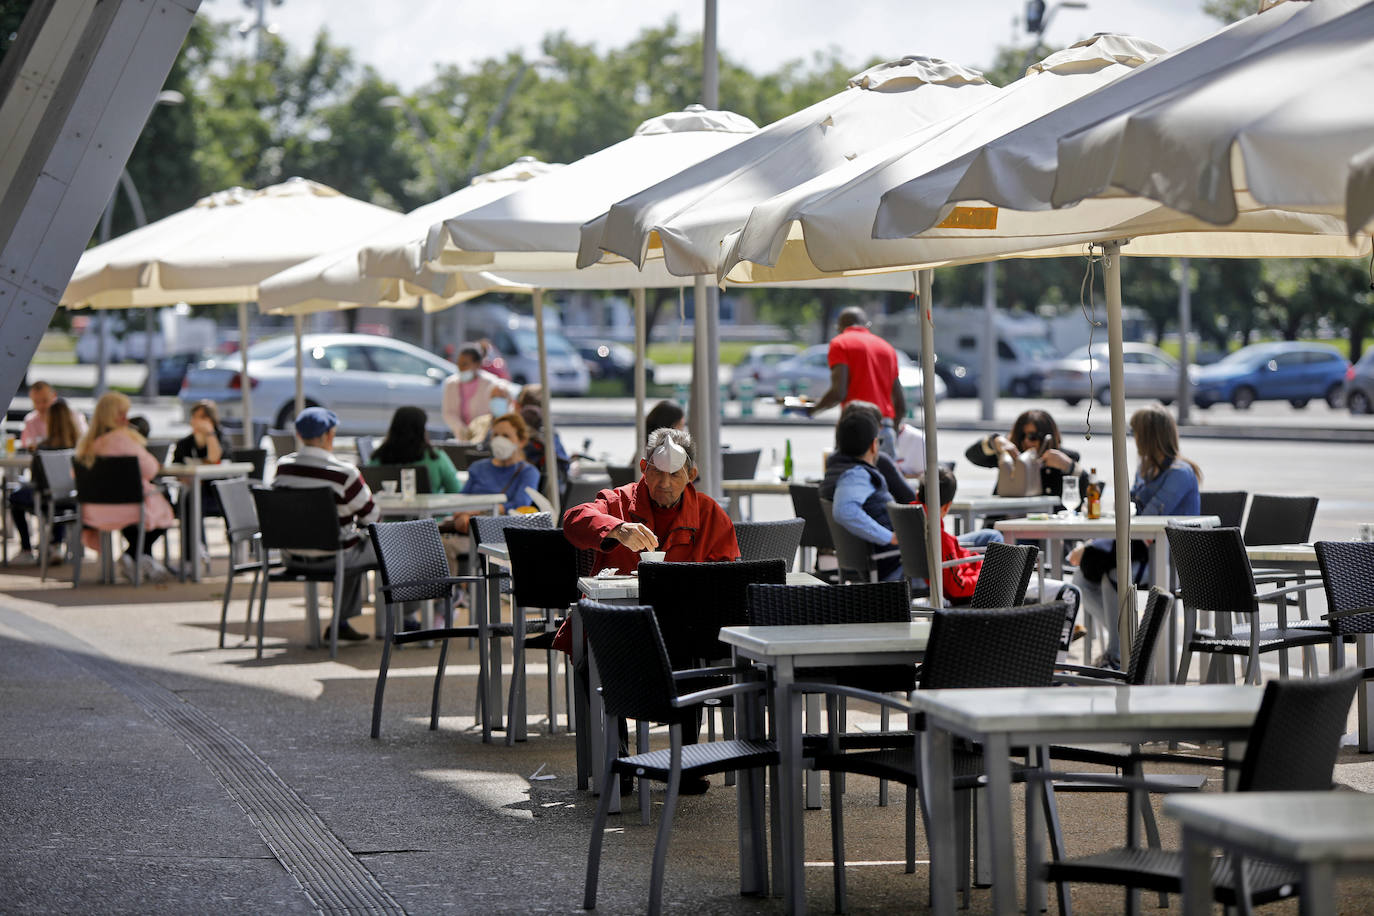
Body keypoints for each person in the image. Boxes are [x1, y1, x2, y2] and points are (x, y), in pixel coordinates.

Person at [1069, 404, 1202, 669]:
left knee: (1115, 574)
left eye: (1135, 432)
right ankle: (1134, 643)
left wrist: (1095, 544)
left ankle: (1118, 656)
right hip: (1146, 553)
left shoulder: (1179, 473)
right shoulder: (1145, 470)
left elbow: (1146, 521)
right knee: (1081, 579)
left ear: (1148, 436)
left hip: (1174, 562)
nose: (1132, 437)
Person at [564, 427, 739, 576]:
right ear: (643, 468)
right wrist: (618, 530)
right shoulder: (618, 502)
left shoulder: (709, 514)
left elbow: (728, 576)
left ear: (691, 475)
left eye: (674, 474)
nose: (665, 483)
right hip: (615, 612)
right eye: (656, 472)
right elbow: (572, 520)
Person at [272, 407, 379, 643]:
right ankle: (400, 621)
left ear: (299, 435)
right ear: (330, 435)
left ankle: (342, 622)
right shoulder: (344, 473)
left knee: (351, 545)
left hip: (291, 555)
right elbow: (372, 517)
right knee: (381, 548)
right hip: (334, 555)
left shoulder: (283, 468)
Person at [917, 467, 1080, 619]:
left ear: (919, 495)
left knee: (999, 548)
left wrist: (982, 565)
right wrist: (989, 573)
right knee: (1069, 592)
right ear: (947, 506)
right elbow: (957, 587)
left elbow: (957, 569)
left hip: (973, 587)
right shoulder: (941, 540)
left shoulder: (916, 524)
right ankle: (1059, 642)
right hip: (988, 590)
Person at [74, 391, 175, 582]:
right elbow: (151, 469)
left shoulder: (86, 445)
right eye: (123, 413)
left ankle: (136, 556)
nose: (126, 418)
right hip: (129, 507)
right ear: (116, 416)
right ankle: (135, 555)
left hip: (93, 511)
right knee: (164, 504)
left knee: (141, 509)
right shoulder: (124, 440)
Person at [439, 412, 541, 573]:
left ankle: (459, 592)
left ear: (521, 441)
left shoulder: (528, 472)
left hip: (499, 537)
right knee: (434, 546)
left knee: (444, 546)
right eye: (496, 435)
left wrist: (473, 513)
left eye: (506, 436)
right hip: (468, 533)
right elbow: (459, 501)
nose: (500, 440)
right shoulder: (478, 468)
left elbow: (519, 505)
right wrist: (462, 515)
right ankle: (457, 593)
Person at [809, 307, 905, 457]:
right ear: (867, 325)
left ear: (839, 328)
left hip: (854, 431)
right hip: (884, 429)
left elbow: (838, 393)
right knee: (884, 480)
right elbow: (900, 405)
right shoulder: (887, 348)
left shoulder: (840, 343)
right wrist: (890, 431)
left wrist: (813, 409)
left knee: (851, 479)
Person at [822, 409, 903, 581]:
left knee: (974, 540)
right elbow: (844, 510)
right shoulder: (857, 474)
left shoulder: (835, 470)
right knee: (973, 547)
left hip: (888, 563)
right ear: (874, 445)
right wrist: (890, 537)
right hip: (898, 567)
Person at [10, 397, 81, 563]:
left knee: (14, 497)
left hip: (44, 497)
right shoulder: (79, 447)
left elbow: (36, 479)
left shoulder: (42, 449)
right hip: (71, 496)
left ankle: (26, 548)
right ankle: (56, 544)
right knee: (59, 496)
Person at [965, 409, 1087, 503]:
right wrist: (994, 441)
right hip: (1006, 522)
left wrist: (1069, 466)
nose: (1026, 442)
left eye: (1032, 437)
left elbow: (1090, 493)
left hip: (1046, 527)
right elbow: (972, 455)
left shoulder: (1064, 457)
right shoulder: (1010, 456)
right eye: (1021, 436)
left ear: (1046, 437)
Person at [172, 400, 233, 571]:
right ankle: (193, 554)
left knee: (193, 499)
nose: (197, 422)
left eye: (203, 418)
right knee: (189, 499)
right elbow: (176, 470)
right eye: (195, 417)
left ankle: (201, 551)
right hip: (194, 495)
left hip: (218, 495)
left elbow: (215, 458)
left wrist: (210, 435)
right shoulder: (185, 443)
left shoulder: (222, 439)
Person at [370, 406, 462, 494]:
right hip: (432, 509)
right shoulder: (435, 457)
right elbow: (456, 489)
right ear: (422, 429)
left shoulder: (377, 458)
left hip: (387, 509)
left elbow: (368, 489)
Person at [442, 342, 517, 443]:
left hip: (486, 438)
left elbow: (502, 407)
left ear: (477, 364)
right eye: (459, 364)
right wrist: (461, 429)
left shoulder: (491, 383)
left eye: (465, 364)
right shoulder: (451, 383)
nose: (460, 368)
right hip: (462, 438)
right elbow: (448, 412)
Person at [20, 380, 86, 449]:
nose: (41, 406)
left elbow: (84, 440)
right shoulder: (30, 420)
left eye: (45, 400)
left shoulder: (73, 415)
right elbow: (25, 446)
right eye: (36, 402)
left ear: (54, 395)